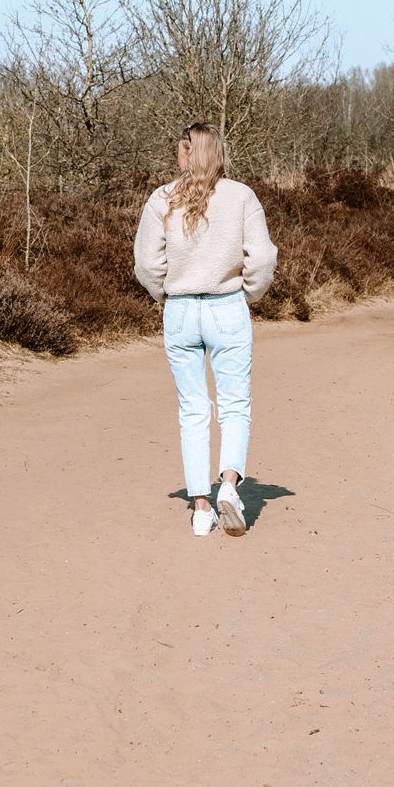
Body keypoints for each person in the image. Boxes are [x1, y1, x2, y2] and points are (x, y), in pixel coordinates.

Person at [133, 122, 277, 537]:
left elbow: (146, 263)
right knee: (234, 405)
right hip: (227, 306)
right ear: (219, 154)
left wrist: (168, 296)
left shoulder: (161, 199)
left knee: (193, 410)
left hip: (179, 311)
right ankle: (228, 486)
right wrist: (246, 295)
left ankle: (200, 509)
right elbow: (263, 258)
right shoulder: (241, 196)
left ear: (186, 154)